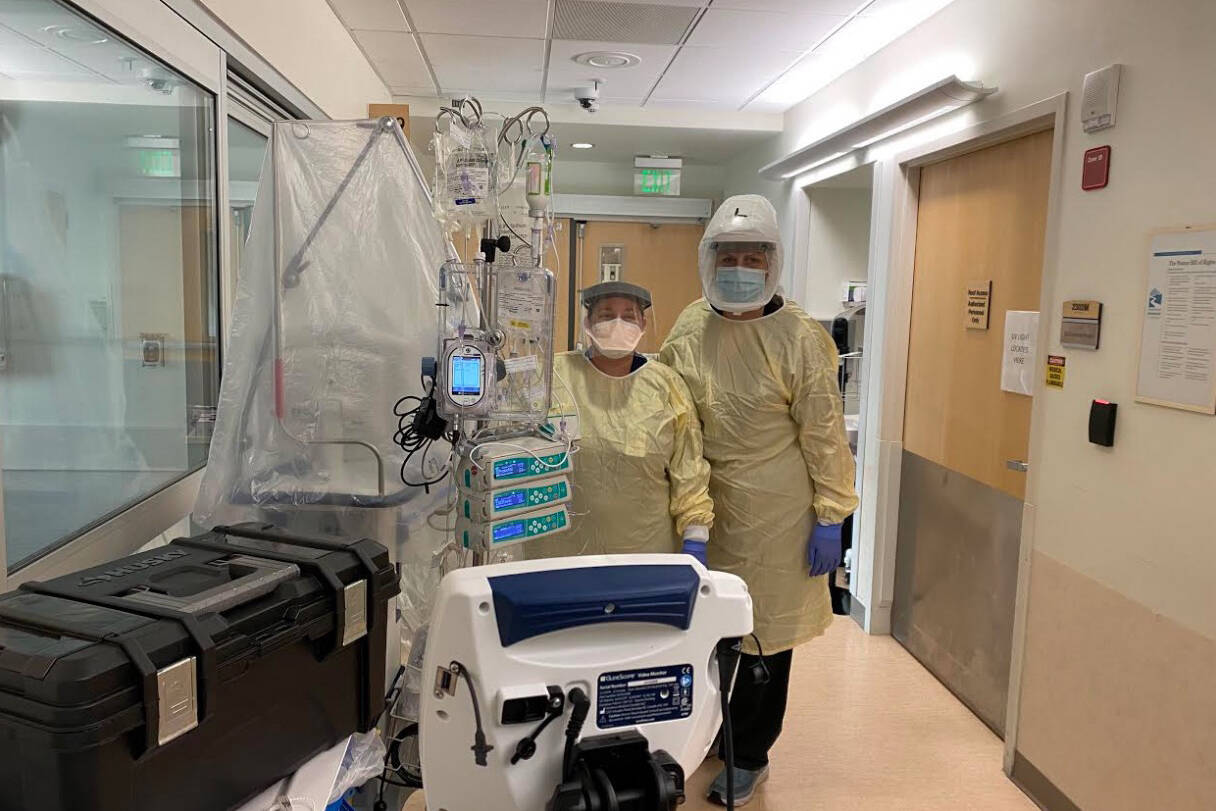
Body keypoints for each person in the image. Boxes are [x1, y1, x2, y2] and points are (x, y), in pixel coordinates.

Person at [659, 195, 859, 806]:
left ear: (772, 264)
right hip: (703, 509)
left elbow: (824, 434)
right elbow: (662, 399)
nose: (739, 267)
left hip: (778, 515)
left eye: (753, 256)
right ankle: (714, 736)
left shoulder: (798, 337)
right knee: (709, 634)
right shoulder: (693, 323)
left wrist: (832, 517)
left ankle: (751, 754)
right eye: (728, 256)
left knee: (765, 638)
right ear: (708, 260)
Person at [530, 280, 714, 559]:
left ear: (643, 325)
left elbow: (688, 469)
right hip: (558, 551)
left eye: (628, 316)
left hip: (645, 552)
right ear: (587, 322)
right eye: (606, 315)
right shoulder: (553, 376)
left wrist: (696, 537)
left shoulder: (667, 387)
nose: (618, 324)